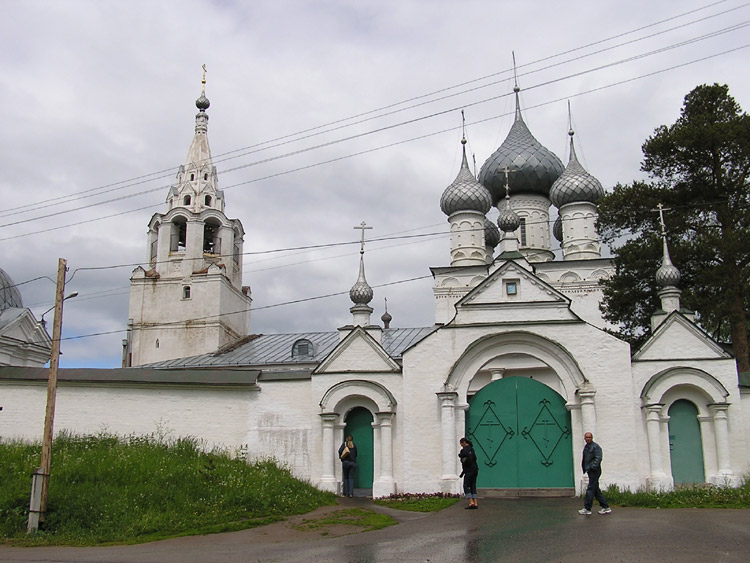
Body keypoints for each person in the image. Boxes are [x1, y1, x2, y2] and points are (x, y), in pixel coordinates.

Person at [579, 432, 612, 515]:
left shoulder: (595, 447)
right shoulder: (586, 447)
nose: (588, 439)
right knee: (596, 490)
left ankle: (587, 508)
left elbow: (598, 458)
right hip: (590, 471)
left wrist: (591, 467)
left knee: (590, 489)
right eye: (586, 437)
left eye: (589, 437)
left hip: (595, 471)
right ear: (584, 438)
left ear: (592, 438)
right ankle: (606, 507)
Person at [458, 437, 479, 509]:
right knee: (473, 485)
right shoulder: (472, 449)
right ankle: (475, 502)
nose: (461, 446)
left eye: (461, 444)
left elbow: (465, 460)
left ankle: (471, 502)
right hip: (475, 469)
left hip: (469, 470)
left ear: (463, 442)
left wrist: (460, 455)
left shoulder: (465, 450)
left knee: (466, 486)